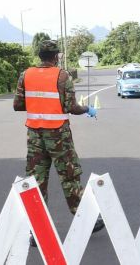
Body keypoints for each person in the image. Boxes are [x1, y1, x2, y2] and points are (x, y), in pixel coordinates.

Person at [13, 40, 104, 246]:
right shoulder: (62, 76)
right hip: (59, 137)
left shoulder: (25, 75)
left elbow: (18, 105)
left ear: (39, 55)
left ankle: (36, 232)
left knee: (36, 181)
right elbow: (71, 107)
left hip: (35, 136)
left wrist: (37, 102)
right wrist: (87, 109)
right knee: (69, 176)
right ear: (55, 57)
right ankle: (85, 220)